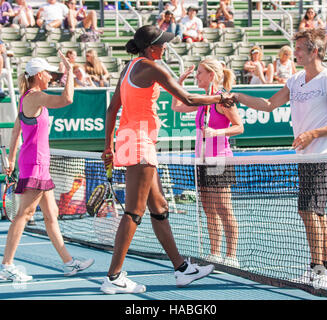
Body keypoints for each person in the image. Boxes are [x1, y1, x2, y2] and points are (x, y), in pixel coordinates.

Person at [100, 25, 237, 294]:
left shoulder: (128, 69)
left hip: (129, 139)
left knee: (159, 207)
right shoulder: (153, 68)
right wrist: (221, 97)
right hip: (140, 142)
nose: (165, 48)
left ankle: (182, 269)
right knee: (133, 212)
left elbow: (112, 108)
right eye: (161, 44)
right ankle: (113, 277)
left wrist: (108, 147)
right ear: (151, 48)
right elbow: (186, 97)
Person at [233, 28, 327, 290]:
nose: (294, 52)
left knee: (308, 210)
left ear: (315, 51)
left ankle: (316, 270)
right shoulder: (295, 80)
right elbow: (268, 104)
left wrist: (313, 134)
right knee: (317, 212)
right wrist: (239, 97)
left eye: (299, 48)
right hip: (305, 157)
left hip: (323, 155)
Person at [0, 52, 94, 282]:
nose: (51, 77)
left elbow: (16, 130)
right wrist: (69, 72)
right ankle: (6, 265)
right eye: (48, 73)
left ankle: (69, 263)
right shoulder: (36, 97)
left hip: (38, 163)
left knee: (52, 215)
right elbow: (67, 99)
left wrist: (11, 159)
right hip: (34, 164)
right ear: (39, 75)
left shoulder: (25, 98)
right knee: (24, 214)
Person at [171, 59, 243, 267]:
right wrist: (180, 82)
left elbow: (239, 127)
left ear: (211, 75)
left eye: (200, 72)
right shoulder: (203, 101)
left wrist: (217, 132)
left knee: (224, 208)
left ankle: (231, 256)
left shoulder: (223, 100)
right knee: (208, 208)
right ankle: (215, 253)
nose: (197, 76)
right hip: (201, 160)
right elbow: (177, 106)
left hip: (220, 158)